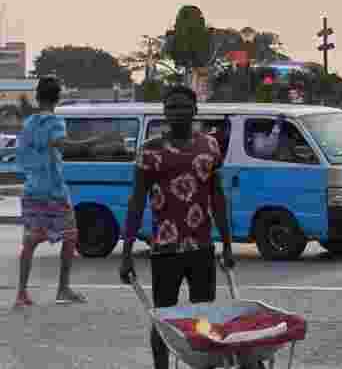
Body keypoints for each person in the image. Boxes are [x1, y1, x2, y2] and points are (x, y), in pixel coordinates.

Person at [120, 85, 235, 369]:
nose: (178, 112)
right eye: (171, 107)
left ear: (195, 110)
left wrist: (228, 245)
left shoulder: (209, 146)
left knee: (204, 317)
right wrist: (126, 253)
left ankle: (205, 365)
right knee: (164, 319)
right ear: (164, 112)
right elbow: (136, 202)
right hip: (165, 249)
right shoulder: (150, 150)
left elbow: (217, 197)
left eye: (184, 106)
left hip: (202, 247)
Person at [13, 77, 119, 309]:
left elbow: (24, 154)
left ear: (38, 96)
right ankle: (63, 288)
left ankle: (21, 293)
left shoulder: (29, 123)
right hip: (54, 190)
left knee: (29, 241)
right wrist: (95, 140)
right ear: (58, 98)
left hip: (32, 189)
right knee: (70, 236)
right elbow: (64, 145)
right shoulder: (54, 122)